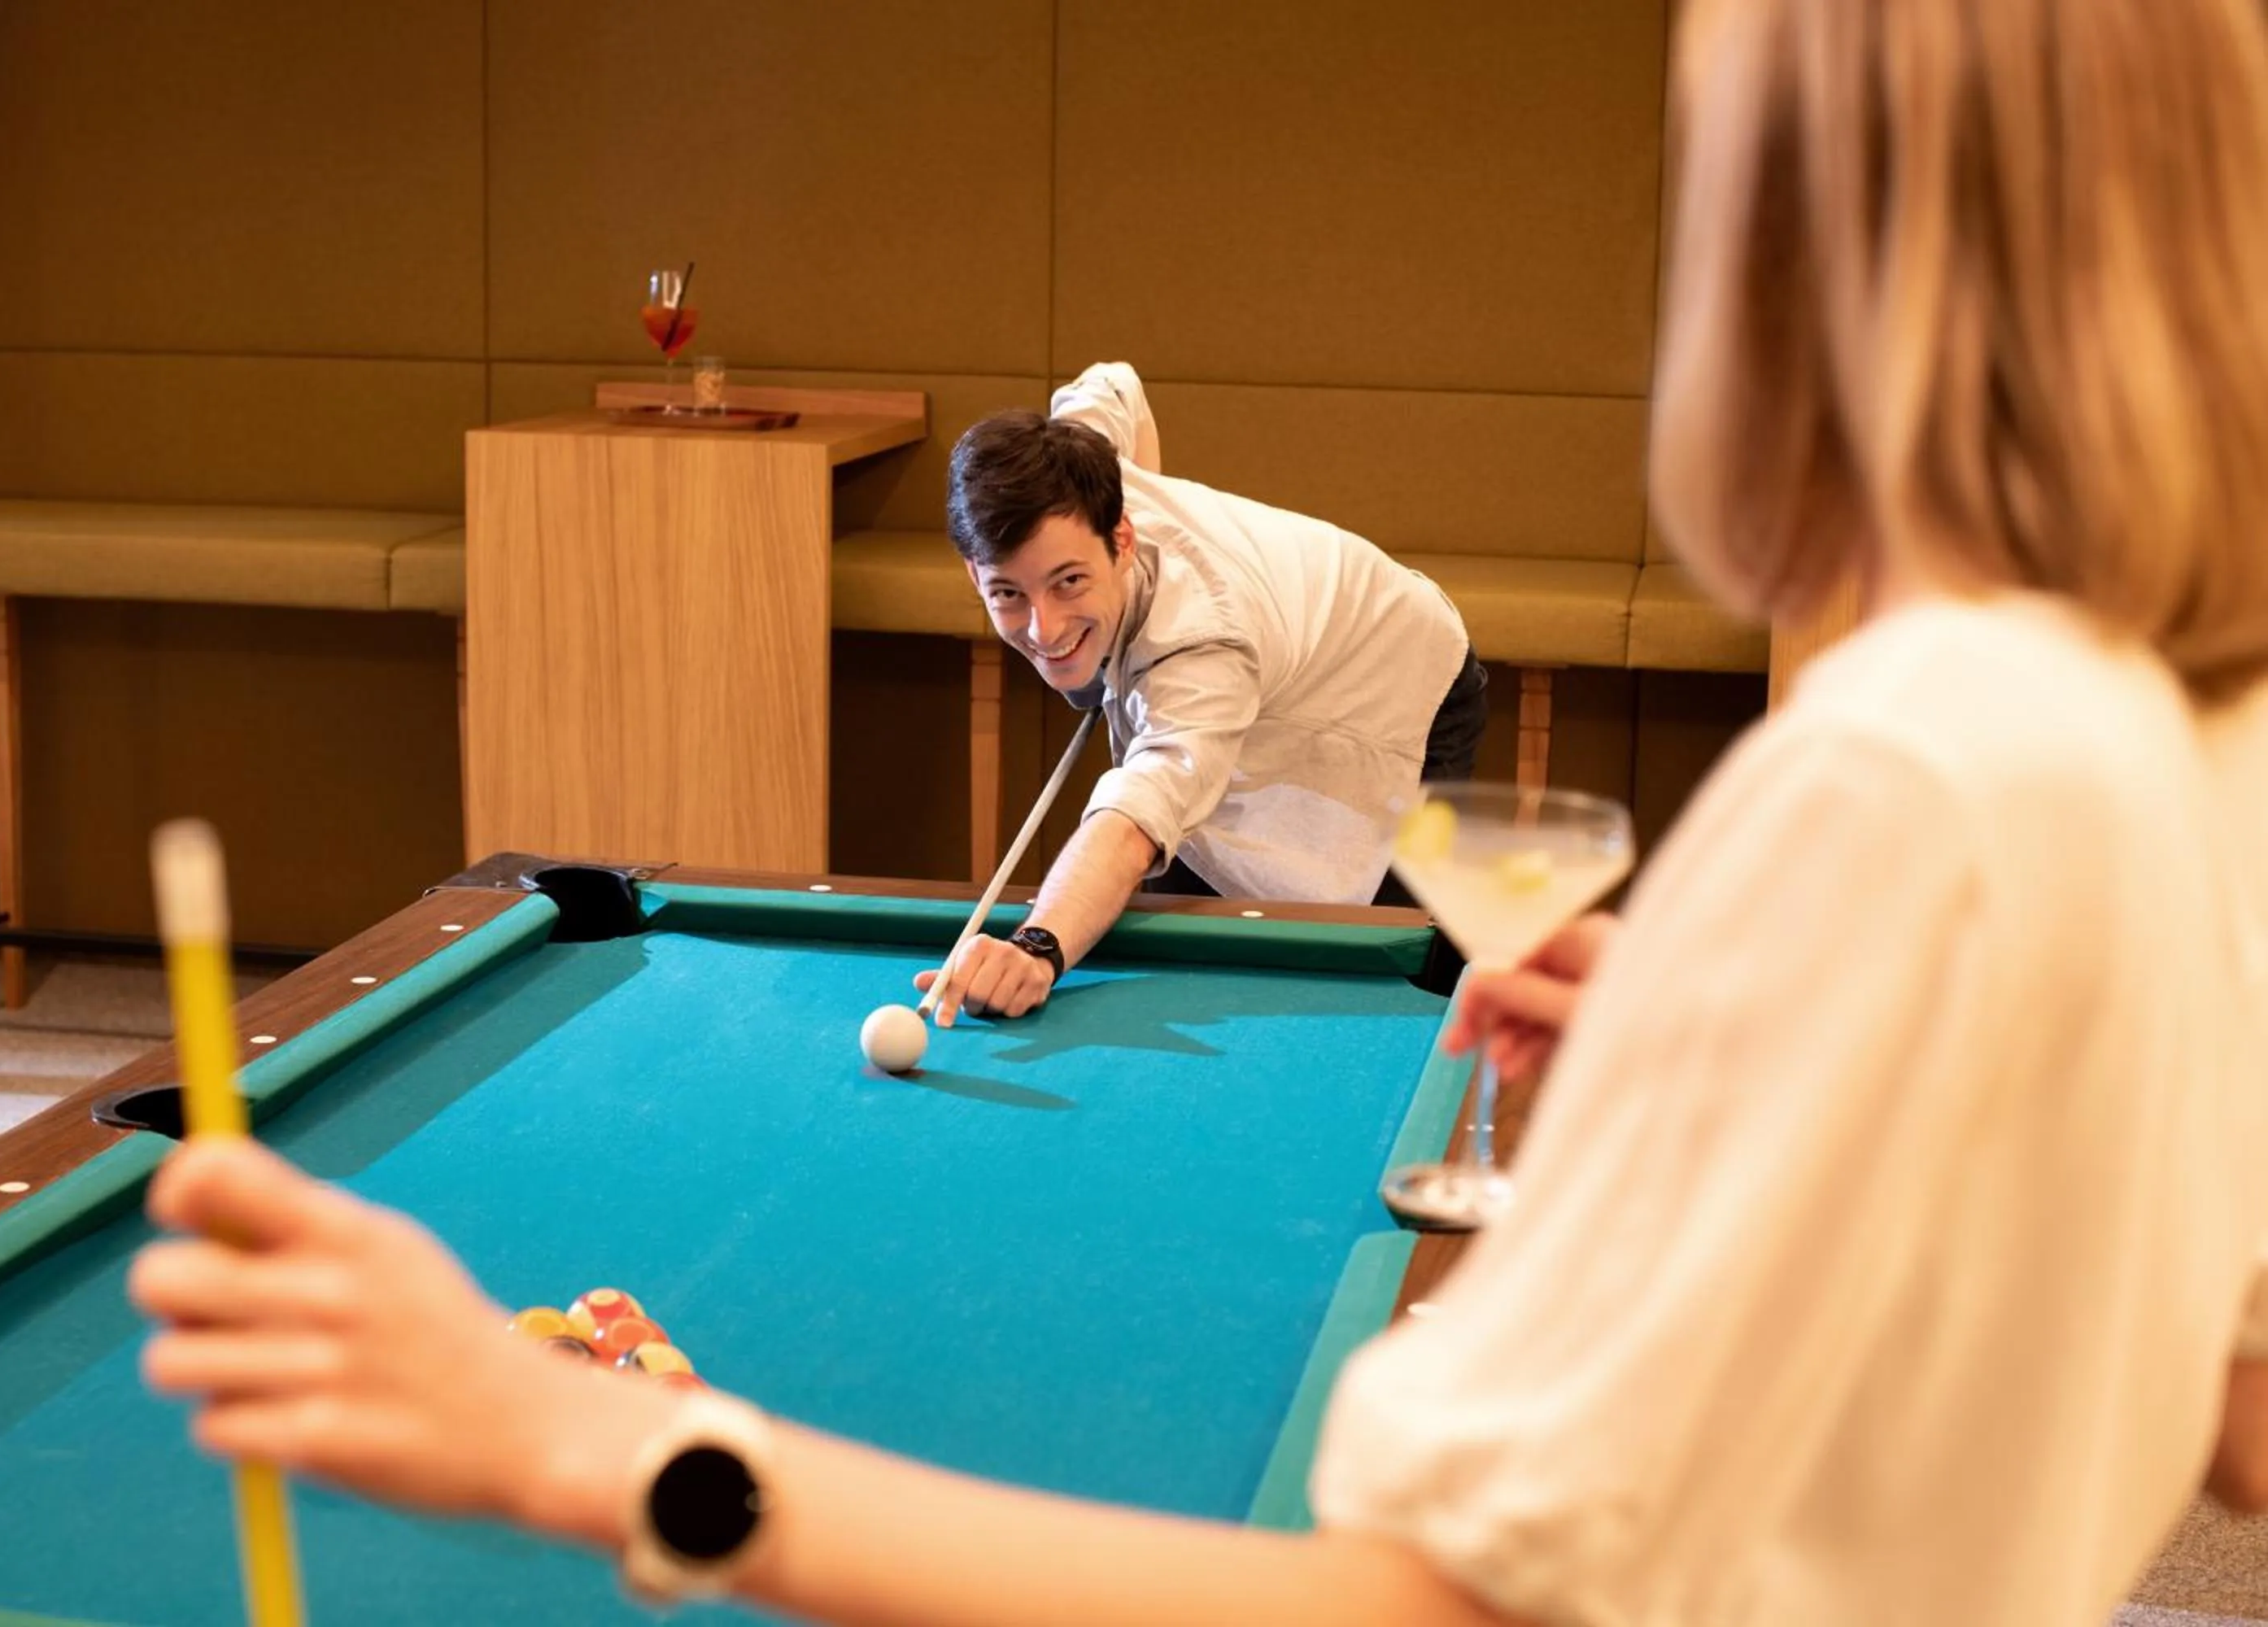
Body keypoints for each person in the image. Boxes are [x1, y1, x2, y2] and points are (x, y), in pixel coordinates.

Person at [129, 0, 2268, 1620]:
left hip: (1371, 710)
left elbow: (1400, 1609)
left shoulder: (1903, 775)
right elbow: (2229, 1398)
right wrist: (1770, 1074)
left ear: (1797, 273)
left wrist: (599, 1459)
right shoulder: (2181, 743)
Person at [914, 363, 1487, 1026]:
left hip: (1396, 680)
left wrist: (1038, 946)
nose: (1043, 627)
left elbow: (1134, 823)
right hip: (1273, 659)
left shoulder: (1201, 643)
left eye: (1069, 581)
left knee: (1371, 967)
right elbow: (1112, 384)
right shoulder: (1076, 458)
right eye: (1008, 593)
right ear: (973, 572)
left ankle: (1455, 1074)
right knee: (1181, 911)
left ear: (1121, 539)